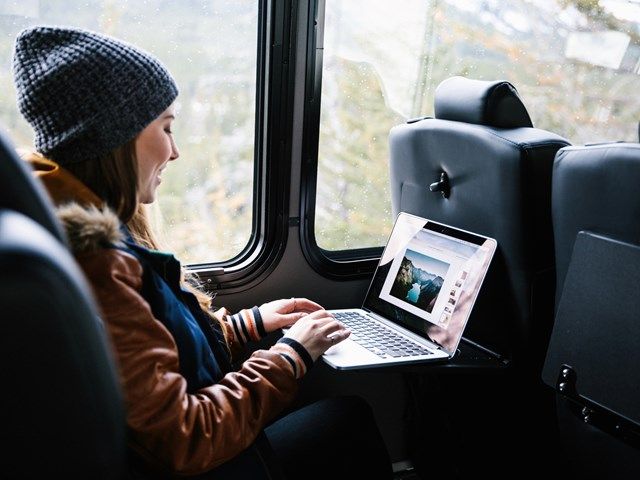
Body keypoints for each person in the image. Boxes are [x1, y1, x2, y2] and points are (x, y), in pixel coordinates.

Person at [12, 26, 393, 479]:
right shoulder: (100, 265)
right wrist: (290, 356)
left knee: (344, 421)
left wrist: (250, 325)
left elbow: (156, 362)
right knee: (347, 426)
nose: (174, 152)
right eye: (166, 128)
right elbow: (185, 436)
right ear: (118, 138)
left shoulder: (90, 231)